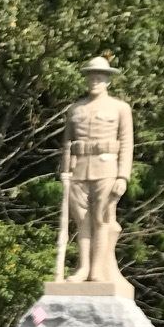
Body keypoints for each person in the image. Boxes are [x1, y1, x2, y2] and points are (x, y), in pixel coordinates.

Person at [61, 55, 134, 288]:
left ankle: (97, 270)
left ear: (108, 80)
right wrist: (65, 170)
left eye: (100, 77)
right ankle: (83, 267)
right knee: (82, 220)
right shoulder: (75, 109)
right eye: (91, 76)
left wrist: (123, 175)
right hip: (79, 169)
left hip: (107, 168)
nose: (95, 80)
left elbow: (127, 142)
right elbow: (67, 143)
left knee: (103, 218)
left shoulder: (120, 108)